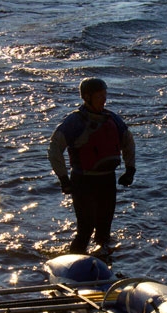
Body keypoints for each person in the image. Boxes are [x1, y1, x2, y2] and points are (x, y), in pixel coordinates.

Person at [48, 78, 136, 255]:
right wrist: (63, 178)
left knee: (104, 228)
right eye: (99, 96)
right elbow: (54, 149)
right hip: (83, 181)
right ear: (87, 98)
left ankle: (102, 261)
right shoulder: (75, 122)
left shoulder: (112, 119)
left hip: (107, 179)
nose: (104, 100)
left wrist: (130, 170)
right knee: (85, 229)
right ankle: (74, 260)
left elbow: (128, 142)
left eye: (105, 95)